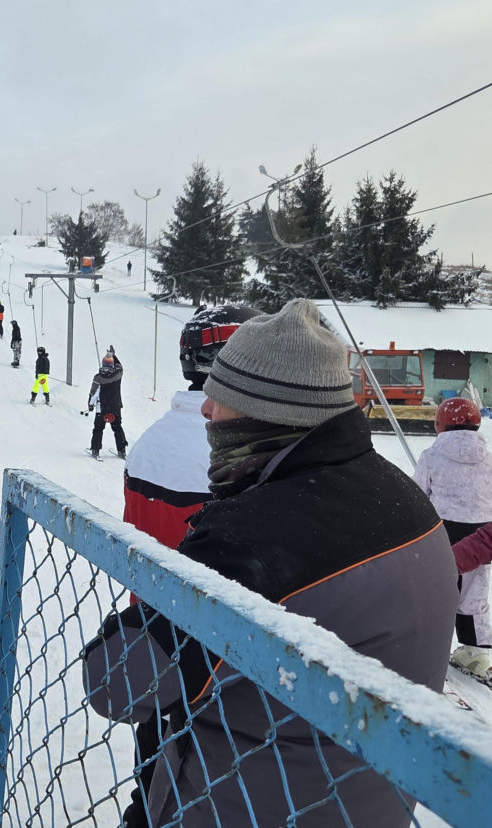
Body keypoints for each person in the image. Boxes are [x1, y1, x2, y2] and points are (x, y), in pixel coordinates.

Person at [82, 298, 457, 827]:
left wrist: (141, 612)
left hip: (242, 802)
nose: (206, 409)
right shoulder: (406, 498)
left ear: (271, 408)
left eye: (223, 394)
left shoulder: (254, 539)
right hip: (369, 804)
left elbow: (114, 682)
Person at [118, 304, 260, 826]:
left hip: (154, 638)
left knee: (153, 776)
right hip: (215, 654)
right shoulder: (228, 451)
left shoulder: (151, 441)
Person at [411, 397, 492, 681]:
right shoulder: (489, 456)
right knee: (473, 592)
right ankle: (474, 650)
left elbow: (418, 495)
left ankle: (428, 643)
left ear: (439, 424)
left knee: (436, 585)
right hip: (481, 534)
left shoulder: (431, 456)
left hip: (442, 530)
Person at [86, 347, 126, 459]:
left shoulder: (98, 378)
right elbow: (120, 366)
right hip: (115, 407)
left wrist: (90, 405)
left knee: (98, 429)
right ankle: (122, 451)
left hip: (101, 408)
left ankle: (95, 450)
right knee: (117, 428)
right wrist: (113, 355)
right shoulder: (118, 374)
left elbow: (93, 393)